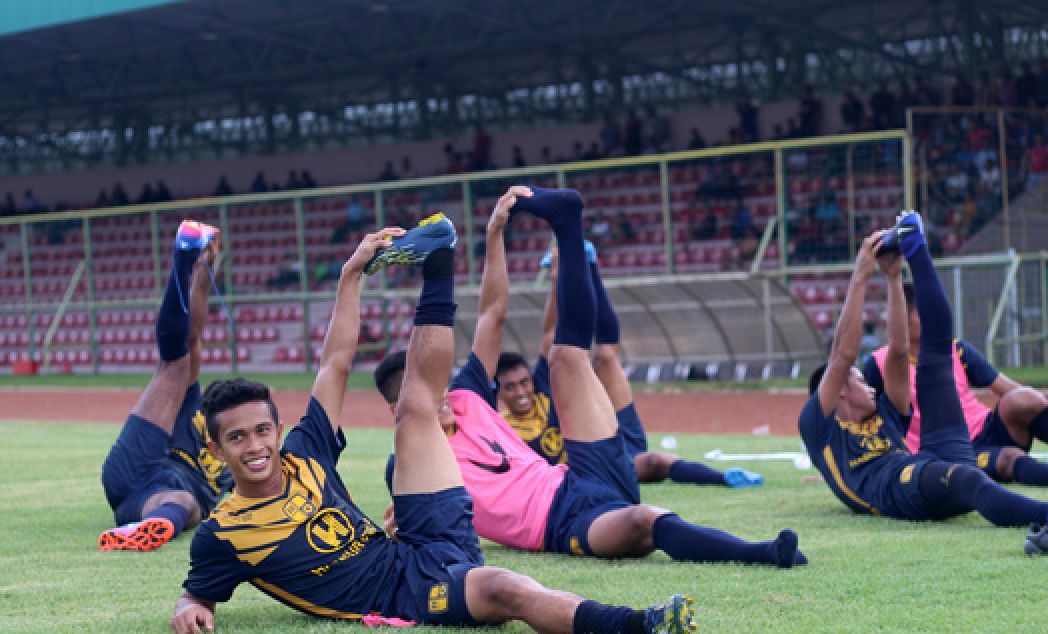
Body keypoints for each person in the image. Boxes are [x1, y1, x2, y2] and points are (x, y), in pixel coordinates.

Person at [171, 221, 696, 633]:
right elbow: (198, 591)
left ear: (278, 429)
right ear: (216, 450)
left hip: (417, 540)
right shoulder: (222, 534)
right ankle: (633, 623)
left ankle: (439, 261)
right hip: (403, 593)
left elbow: (334, 362)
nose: (256, 446)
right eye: (237, 438)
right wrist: (190, 606)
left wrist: (352, 273)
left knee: (417, 409)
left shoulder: (303, 453)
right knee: (504, 587)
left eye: (263, 430)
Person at [377, 187, 806, 569]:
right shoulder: (412, 459)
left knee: (566, 358)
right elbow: (414, 522)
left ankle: (568, 223)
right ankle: (764, 552)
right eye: (432, 393)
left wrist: (494, 235)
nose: (445, 395)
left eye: (441, 386)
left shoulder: (469, 396)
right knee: (644, 521)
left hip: (581, 473)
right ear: (401, 409)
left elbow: (492, 314)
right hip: (562, 523)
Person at [801, 211, 1048, 557]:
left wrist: (894, 278)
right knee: (973, 479)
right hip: (898, 490)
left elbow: (897, 350)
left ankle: (917, 246)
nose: (870, 387)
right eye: (858, 381)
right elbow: (841, 356)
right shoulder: (820, 427)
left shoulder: (883, 412)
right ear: (837, 390)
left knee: (938, 349)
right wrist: (860, 276)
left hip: (929, 460)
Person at [495, 245, 761, 489]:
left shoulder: (541, 388)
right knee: (656, 461)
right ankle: (724, 478)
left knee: (607, 358)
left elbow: (551, 331)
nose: (521, 392)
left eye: (523, 383)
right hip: (602, 466)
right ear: (499, 392)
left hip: (612, 430)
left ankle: (590, 263)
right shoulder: (503, 430)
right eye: (511, 387)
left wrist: (555, 281)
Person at [861, 282, 1048, 488]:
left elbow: (1012, 390)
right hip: (953, 451)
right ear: (900, 318)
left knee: (1025, 398)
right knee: (1009, 458)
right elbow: (868, 419)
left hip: (989, 428)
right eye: (923, 312)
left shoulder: (957, 349)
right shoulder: (878, 364)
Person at [99, 220, 232, 552]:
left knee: (182, 503)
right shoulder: (194, 406)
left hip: (154, 494)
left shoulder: (236, 462)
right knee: (176, 365)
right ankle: (183, 257)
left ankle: (147, 529)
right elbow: (194, 336)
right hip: (141, 458)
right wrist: (203, 270)